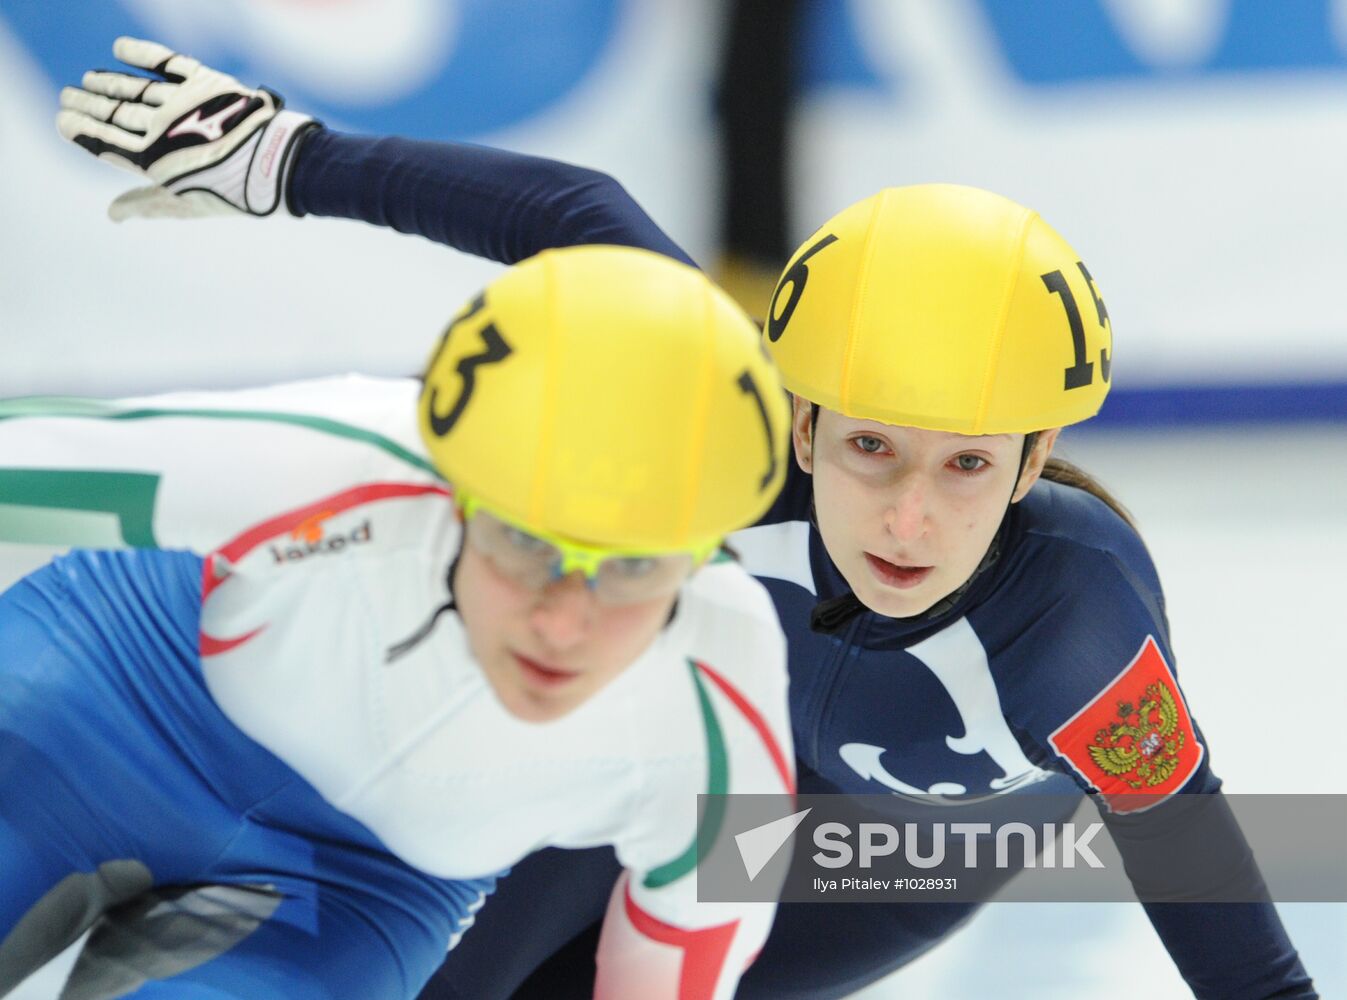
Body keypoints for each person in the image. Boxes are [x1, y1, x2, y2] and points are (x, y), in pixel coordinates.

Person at [44, 38, 1315, 999]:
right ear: (802, 423)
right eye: (870, 446)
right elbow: (579, 224)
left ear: (1037, 461)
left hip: (884, 853)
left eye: (968, 467)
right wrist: (288, 158)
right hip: (689, 764)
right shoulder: (732, 436)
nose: (909, 519)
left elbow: (1213, 906)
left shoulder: (1077, 634)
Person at [0, 183, 797, 997]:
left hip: (359, 889)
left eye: (632, 567)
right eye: (523, 540)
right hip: (115, 692)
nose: (562, 622)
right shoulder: (351, 457)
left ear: (702, 560)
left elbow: (691, 962)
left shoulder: (735, 690)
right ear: (453, 491)